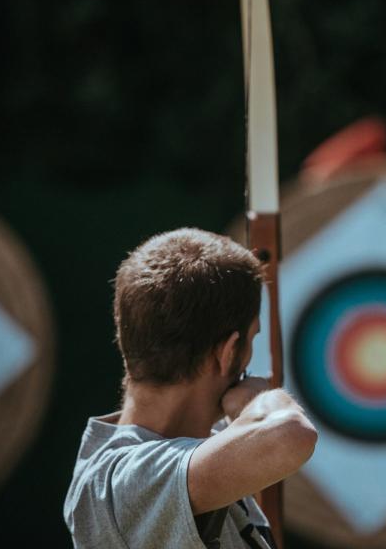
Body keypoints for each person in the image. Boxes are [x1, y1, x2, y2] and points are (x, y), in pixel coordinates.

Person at [64, 228, 317, 548]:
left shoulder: (194, 450)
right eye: (252, 339)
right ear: (227, 353)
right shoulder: (125, 482)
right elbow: (290, 434)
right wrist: (257, 400)